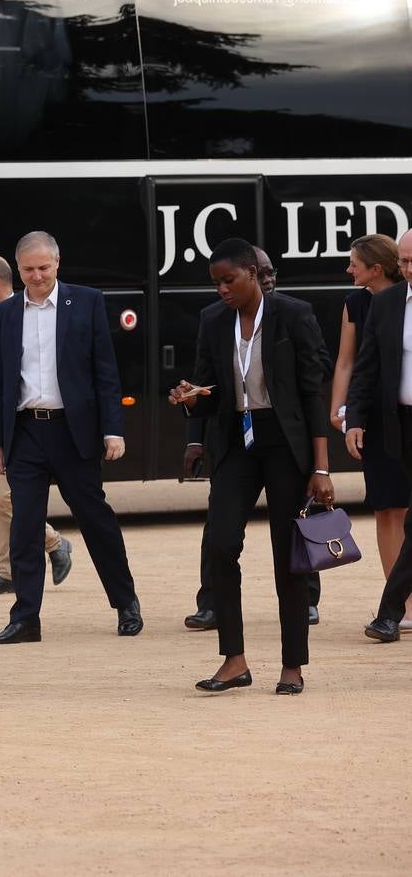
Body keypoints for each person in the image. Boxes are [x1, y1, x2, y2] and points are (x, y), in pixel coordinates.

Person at [169, 238, 332, 694]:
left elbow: (311, 394)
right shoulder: (212, 320)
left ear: (253, 275)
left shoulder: (293, 315)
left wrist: (320, 468)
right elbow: (208, 387)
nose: (221, 290)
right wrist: (190, 398)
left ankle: (292, 666)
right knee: (220, 546)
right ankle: (234, 660)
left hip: (285, 445)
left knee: (289, 558)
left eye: (228, 280)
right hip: (234, 444)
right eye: (215, 282)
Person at [0, 231, 141, 644]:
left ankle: (125, 603)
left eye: (43, 268)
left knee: (95, 519)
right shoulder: (6, 312)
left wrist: (113, 430)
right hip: (26, 431)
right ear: (17, 270)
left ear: (57, 263)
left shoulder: (86, 301)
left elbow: (105, 370)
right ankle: (25, 618)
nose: (36, 276)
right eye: (28, 269)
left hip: (75, 432)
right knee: (25, 527)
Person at [0, 254, 74, 597]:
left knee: (7, 494)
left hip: (16, 422)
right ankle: (7, 571)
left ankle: (55, 543)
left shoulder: (22, 314)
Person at [329, 235, 409, 589]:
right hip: (377, 418)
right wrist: (340, 409)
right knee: (385, 506)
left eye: (354, 264)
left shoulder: (398, 300)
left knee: (405, 510)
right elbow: (349, 363)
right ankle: (399, 600)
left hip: (402, 415)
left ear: (376, 268)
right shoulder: (359, 304)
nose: (348, 269)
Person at [347, 228, 412, 642]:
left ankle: (390, 612)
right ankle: (393, 612)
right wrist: (354, 418)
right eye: (403, 261)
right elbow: (365, 367)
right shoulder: (387, 303)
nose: (406, 269)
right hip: (399, 426)